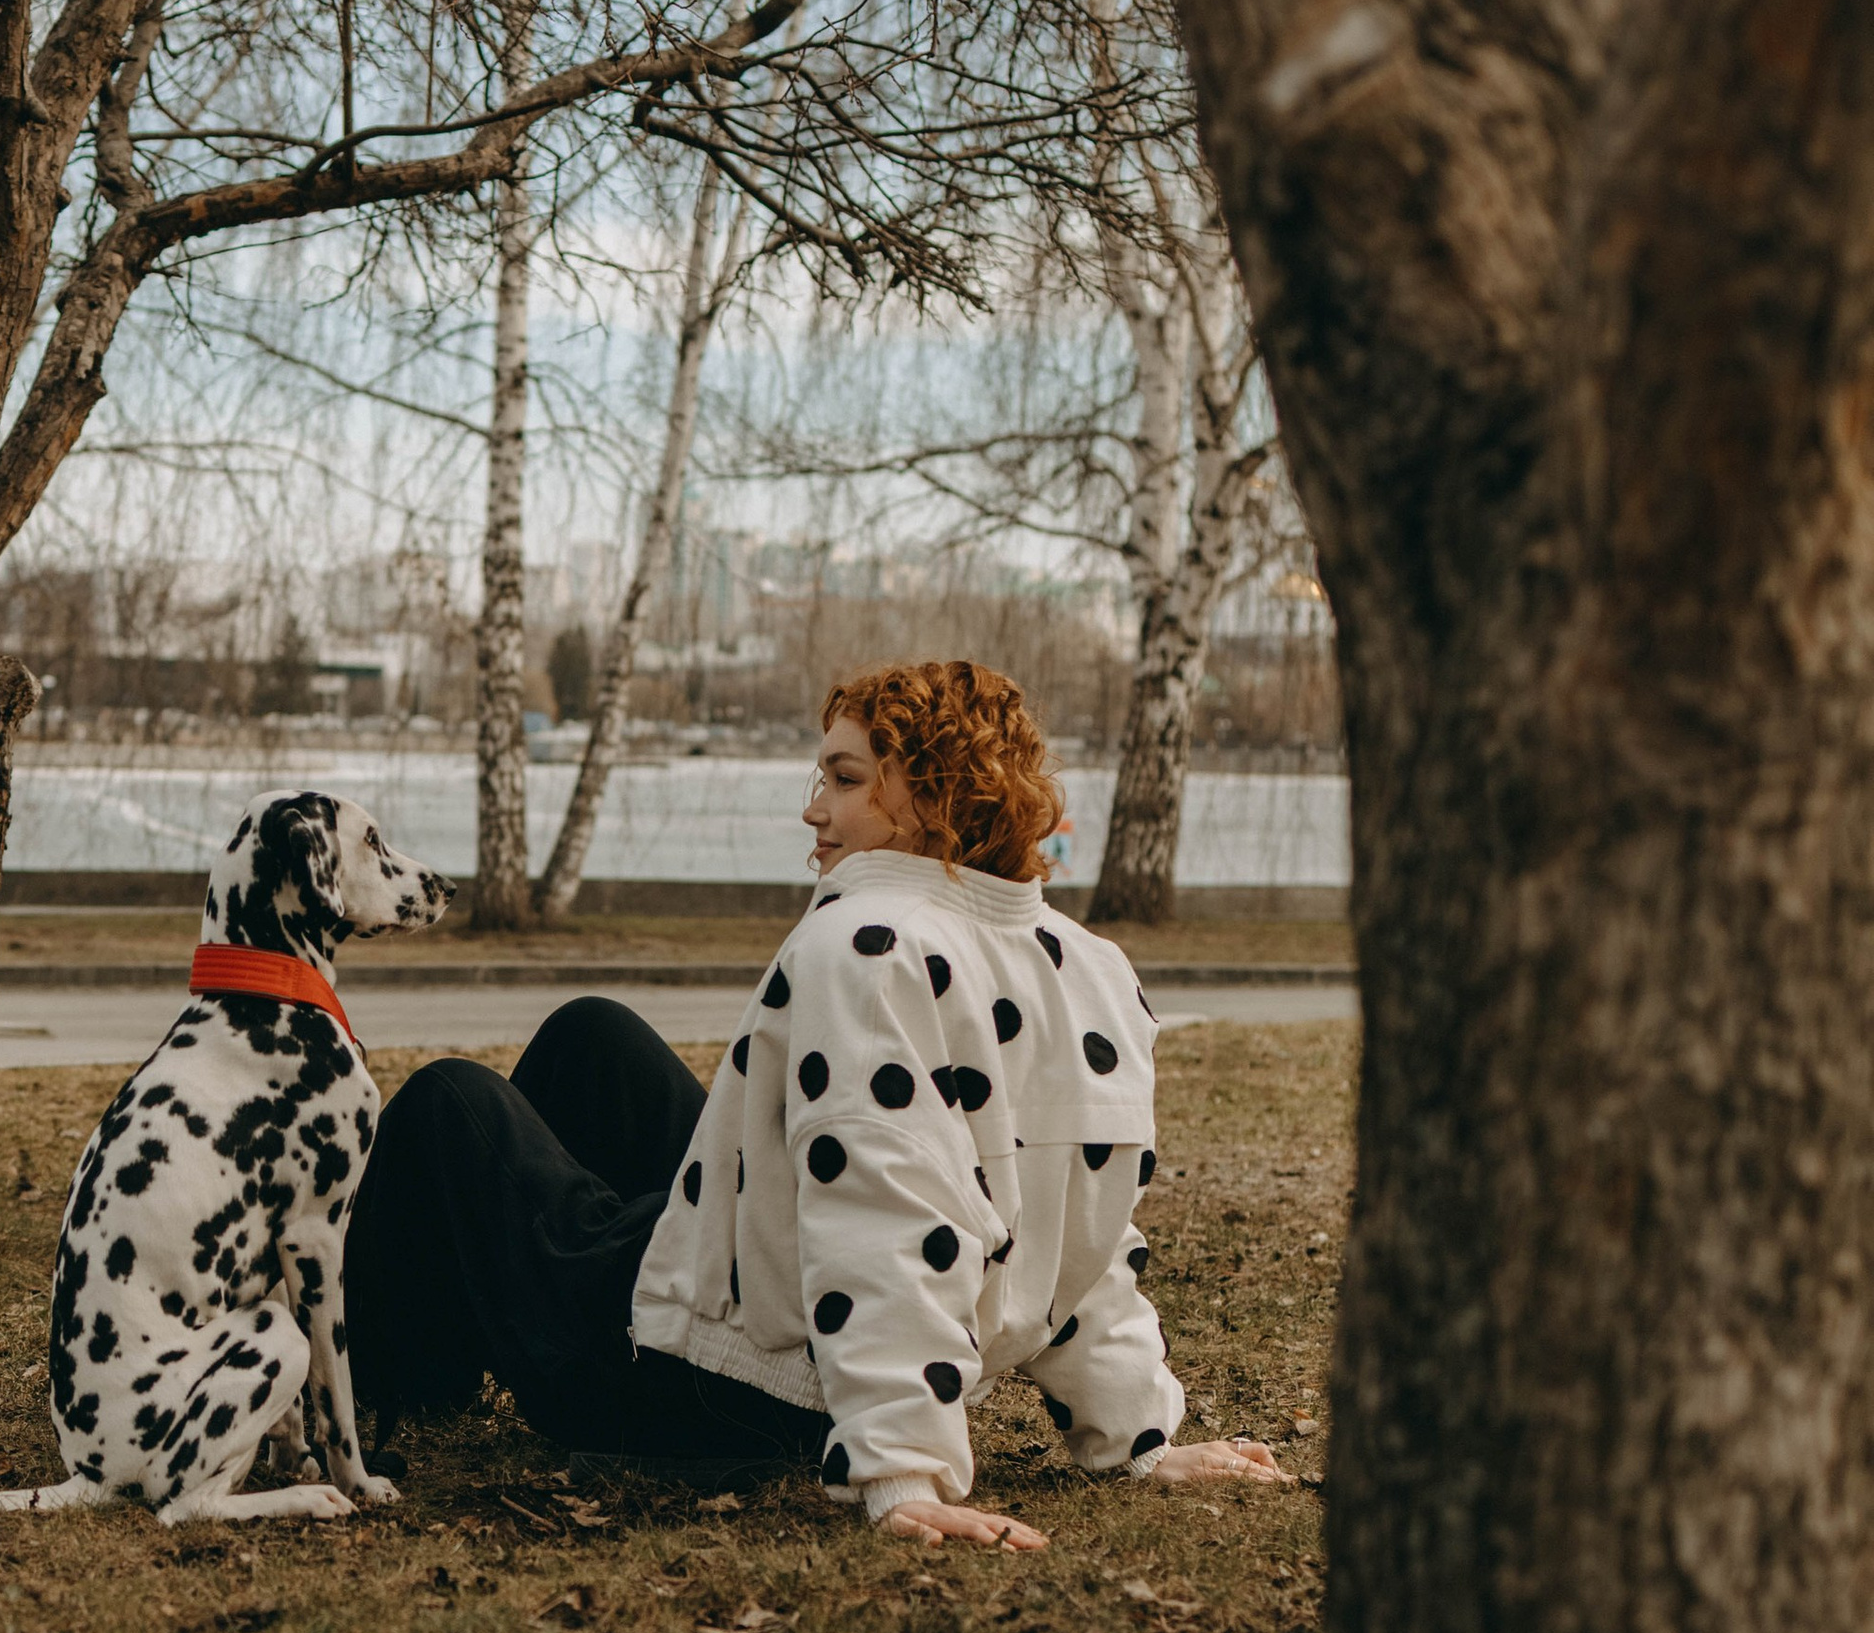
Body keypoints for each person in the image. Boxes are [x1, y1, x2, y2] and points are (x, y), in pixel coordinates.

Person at [343, 660, 1287, 1549]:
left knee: (448, 1102)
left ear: (927, 794)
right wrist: (1140, 1441)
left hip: (711, 1394)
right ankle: (452, 1353)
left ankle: (360, 1390)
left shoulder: (867, 945)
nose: (812, 807)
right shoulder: (1093, 965)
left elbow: (884, 1203)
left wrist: (898, 1473)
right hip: (791, 1337)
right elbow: (1075, 1234)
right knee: (593, 1037)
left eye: (842, 778)